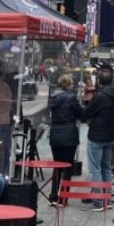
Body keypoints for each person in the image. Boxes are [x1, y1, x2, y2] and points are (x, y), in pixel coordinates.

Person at [81, 66, 114, 210]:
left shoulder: (100, 96)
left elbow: (86, 113)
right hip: (110, 135)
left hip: (97, 136)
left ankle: (98, 202)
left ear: (99, 81)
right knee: (106, 168)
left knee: (96, 169)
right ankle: (107, 200)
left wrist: (85, 103)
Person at [48, 75, 83, 204]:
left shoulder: (53, 97)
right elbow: (80, 114)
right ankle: (63, 198)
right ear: (68, 84)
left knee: (57, 165)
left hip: (55, 134)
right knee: (68, 166)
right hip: (69, 135)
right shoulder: (71, 97)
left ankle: (53, 197)